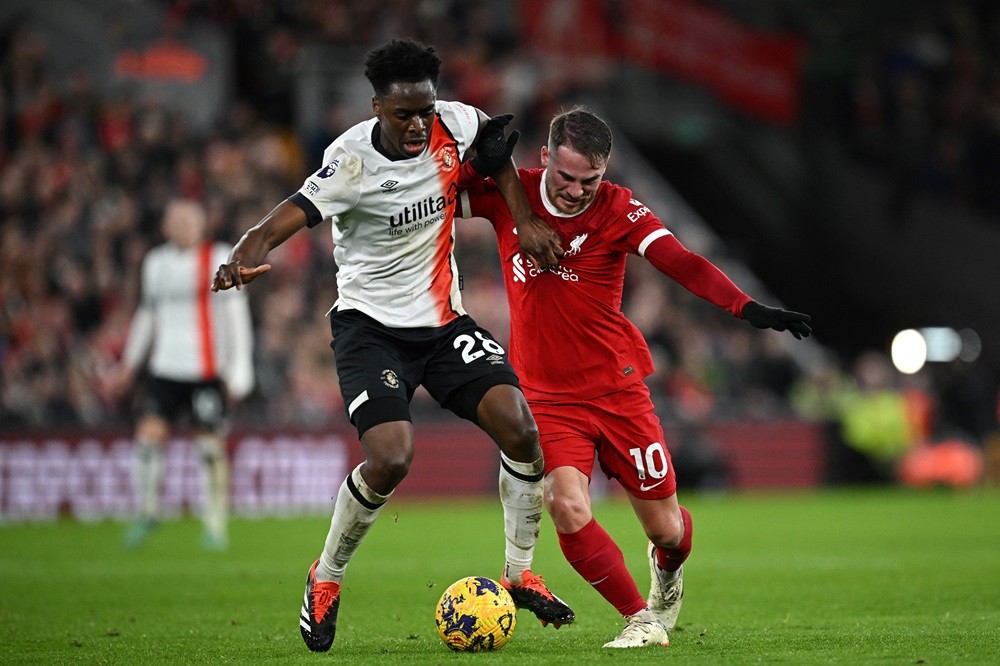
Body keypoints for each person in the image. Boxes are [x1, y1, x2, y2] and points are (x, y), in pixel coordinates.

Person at [210, 38, 570, 653]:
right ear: (377, 107)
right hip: (369, 329)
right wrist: (245, 252)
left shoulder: (452, 121)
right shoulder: (348, 163)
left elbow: (495, 155)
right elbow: (283, 218)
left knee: (522, 430)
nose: (417, 125)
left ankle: (520, 574)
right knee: (392, 458)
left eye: (424, 112)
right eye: (403, 114)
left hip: (443, 323)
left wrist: (524, 219)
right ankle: (325, 579)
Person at [456, 107, 812, 648]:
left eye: (589, 181)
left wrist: (746, 307)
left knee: (667, 530)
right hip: (546, 397)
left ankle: (667, 570)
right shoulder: (513, 194)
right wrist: (471, 164)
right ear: (545, 158)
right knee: (565, 504)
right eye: (566, 177)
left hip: (618, 390)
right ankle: (640, 618)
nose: (576, 192)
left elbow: (682, 261)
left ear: (606, 171)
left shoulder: (619, 209)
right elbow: (429, 200)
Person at [111, 198, 254, 551]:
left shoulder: (218, 256)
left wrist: (240, 370)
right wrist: (130, 364)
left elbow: (237, 317)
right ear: (165, 226)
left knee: (208, 448)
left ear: (202, 224)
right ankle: (147, 512)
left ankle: (215, 525)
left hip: (206, 371)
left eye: (189, 220)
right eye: (176, 221)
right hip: (165, 369)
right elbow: (147, 315)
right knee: (147, 439)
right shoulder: (155, 262)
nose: (182, 227)